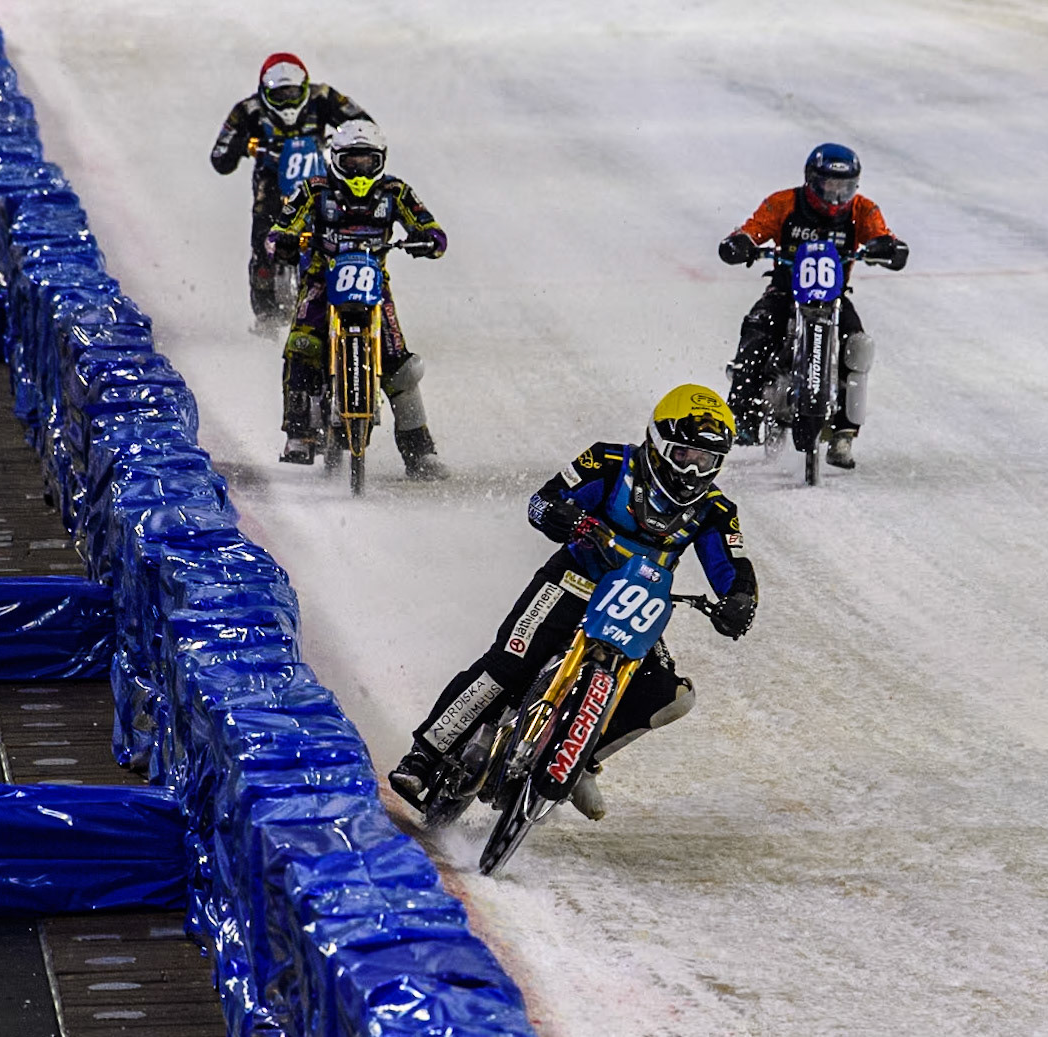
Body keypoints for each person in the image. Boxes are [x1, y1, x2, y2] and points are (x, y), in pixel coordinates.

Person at [389, 385, 758, 820]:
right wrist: (562, 516)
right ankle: (424, 755)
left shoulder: (716, 509)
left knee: (671, 696)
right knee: (508, 665)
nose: (693, 470)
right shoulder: (608, 461)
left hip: (636, 605)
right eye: (683, 455)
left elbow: (732, 564)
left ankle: (581, 759)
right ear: (658, 443)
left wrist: (740, 599)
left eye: (706, 461)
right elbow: (540, 502)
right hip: (572, 580)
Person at [265, 119, 450, 476]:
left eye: (367, 161)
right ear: (335, 159)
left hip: (374, 284)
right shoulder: (314, 189)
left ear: (381, 160)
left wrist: (428, 240)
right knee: (301, 347)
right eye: (352, 161)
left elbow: (431, 227)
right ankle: (299, 434)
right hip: (321, 279)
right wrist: (283, 241)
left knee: (400, 367)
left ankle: (420, 453)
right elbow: (280, 229)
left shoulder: (396, 192)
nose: (360, 170)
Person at [718, 143, 908, 469]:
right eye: (829, 185)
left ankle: (845, 432)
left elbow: (883, 236)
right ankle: (743, 414)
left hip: (833, 298)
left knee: (857, 345)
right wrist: (743, 243)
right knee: (757, 330)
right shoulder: (783, 203)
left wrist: (887, 247)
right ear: (811, 180)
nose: (836, 195)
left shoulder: (863, 210)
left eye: (845, 187)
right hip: (784, 292)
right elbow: (752, 229)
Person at [209, 53, 371, 327]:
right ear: (265, 92)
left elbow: (365, 126)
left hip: (321, 177)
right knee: (263, 246)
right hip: (271, 183)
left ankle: (346, 294)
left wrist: (341, 141)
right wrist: (246, 146)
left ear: (304, 88)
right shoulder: (247, 110)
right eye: (280, 95)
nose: (287, 101)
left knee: (345, 232)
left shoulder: (323, 97)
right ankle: (266, 320)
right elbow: (220, 158)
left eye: (292, 93)